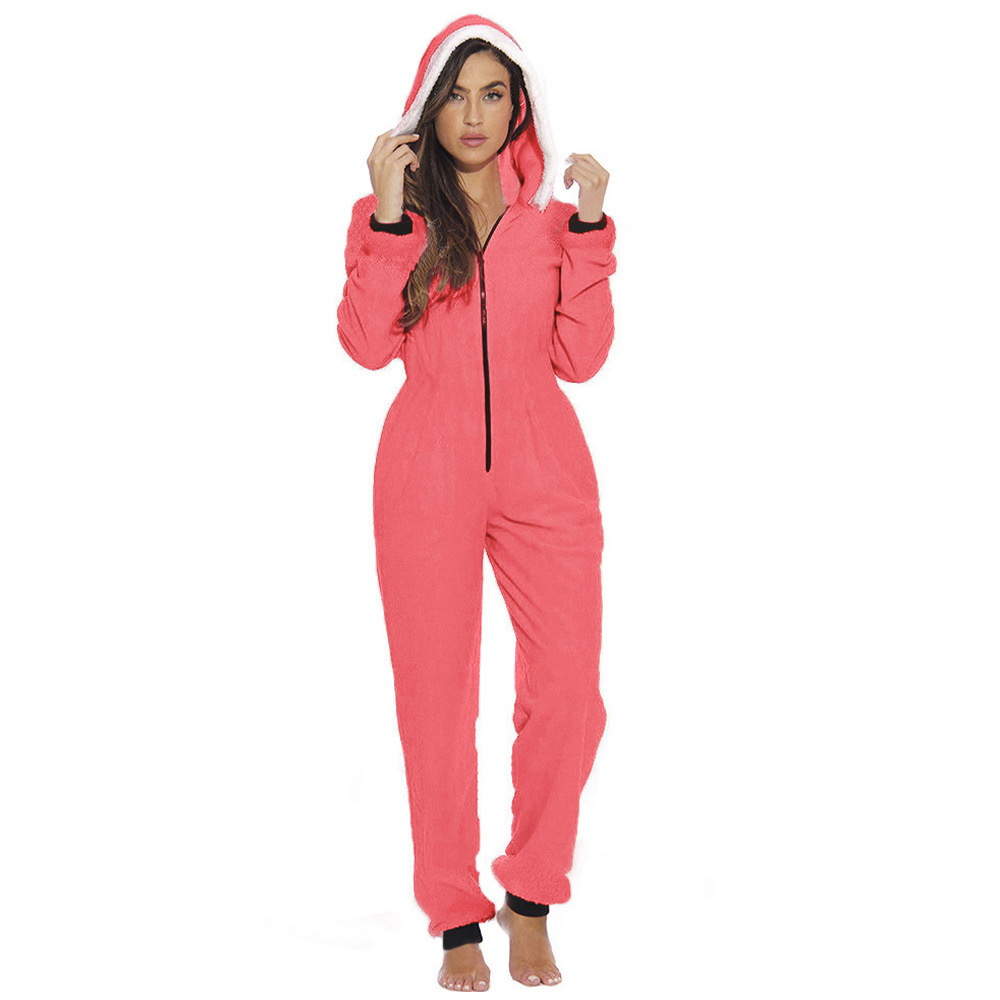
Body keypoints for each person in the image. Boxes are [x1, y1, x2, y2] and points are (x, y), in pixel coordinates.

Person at [336, 13, 616, 992]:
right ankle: (455, 912)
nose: (473, 113)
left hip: (546, 469)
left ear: (518, 110)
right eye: (455, 93)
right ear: (428, 106)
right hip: (426, 467)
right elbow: (367, 345)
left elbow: (581, 357)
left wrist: (590, 231)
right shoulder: (398, 217)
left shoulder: (551, 227)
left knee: (570, 693)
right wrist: (385, 215)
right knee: (436, 701)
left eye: (493, 94)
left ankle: (530, 894)